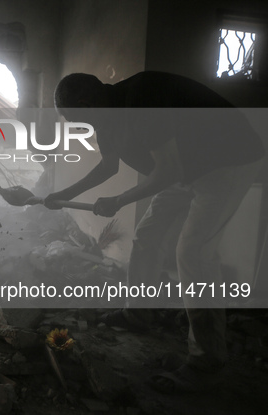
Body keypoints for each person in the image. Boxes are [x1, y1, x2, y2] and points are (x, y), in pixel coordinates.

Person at [46, 71, 265, 393]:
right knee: (146, 238)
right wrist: (63, 195)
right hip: (186, 171)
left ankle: (208, 361)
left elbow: (169, 169)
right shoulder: (106, 119)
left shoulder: (143, 98)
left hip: (228, 162)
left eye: (77, 118)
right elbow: (109, 166)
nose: (83, 126)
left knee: (193, 252)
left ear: (86, 103)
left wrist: (119, 200)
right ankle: (139, 314)